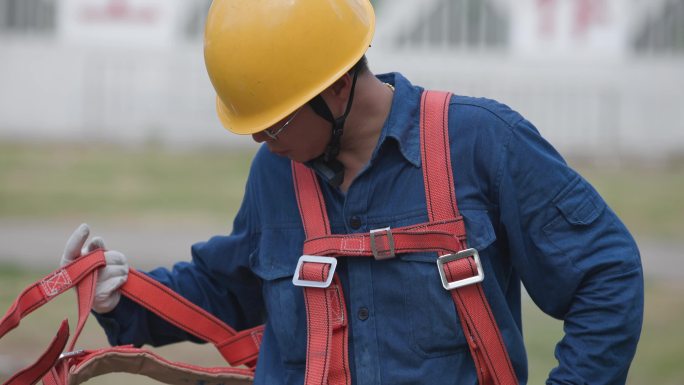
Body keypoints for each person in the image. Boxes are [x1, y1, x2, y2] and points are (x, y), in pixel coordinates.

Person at [60, 0, 643, 384]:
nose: (262, 137)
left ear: (338, 87)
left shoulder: (481, 143)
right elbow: (230, 284)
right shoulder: (278, 171)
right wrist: (122, 293)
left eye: (276, 120)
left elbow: (606, 275)